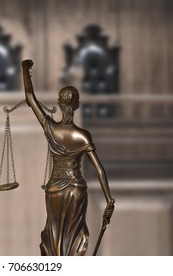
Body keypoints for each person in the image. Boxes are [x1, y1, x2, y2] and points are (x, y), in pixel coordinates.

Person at [21, 59, 115, 256]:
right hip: (75, 190)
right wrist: (109, 200)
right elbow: (99, 169)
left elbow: (30, 97)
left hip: (54, 189)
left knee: (55, 234)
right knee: (74, 236)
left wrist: (25, 69)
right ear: (78, 105)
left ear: (59, 104)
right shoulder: (82, 135)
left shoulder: (51, 128)